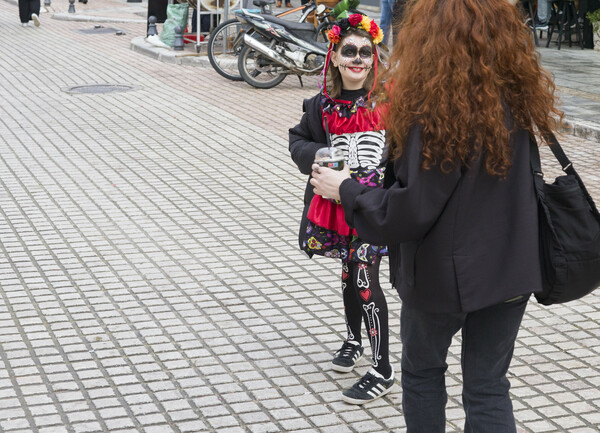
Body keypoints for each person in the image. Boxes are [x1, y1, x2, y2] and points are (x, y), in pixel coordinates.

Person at [309, 0, 563, 430]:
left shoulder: (434, 109)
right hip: (511, 270)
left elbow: (410, 211)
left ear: (429, 37)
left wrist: (346, 190)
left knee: (424, 374)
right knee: (488, 387)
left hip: (442, 279)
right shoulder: (517, 94)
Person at [289, 14, 395, 405]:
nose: (358, 59)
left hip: (377, 208)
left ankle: (383, 367)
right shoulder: (321, 106)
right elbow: (297, 139)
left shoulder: (390, 101)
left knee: (365, 276)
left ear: (374, 58)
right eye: (348, 51)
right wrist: (317, 152)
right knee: (350, 274)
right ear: (333, 57)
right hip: (338, 206)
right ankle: (354, 339)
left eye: (365, 52)